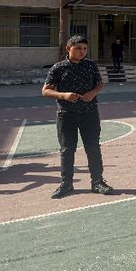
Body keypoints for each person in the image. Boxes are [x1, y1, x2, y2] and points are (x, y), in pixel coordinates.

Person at [42, 36, 113, 199]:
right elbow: (45, 90)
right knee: (67, 150)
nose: (82, 51)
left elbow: (100, 83)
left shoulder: (90, 65)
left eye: (84, 48)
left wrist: (93, 93)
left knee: (93, 147)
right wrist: (63, 95)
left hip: (89, 113)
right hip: (66, 115)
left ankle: (97, 182)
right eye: (78, 48)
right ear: (68, 49)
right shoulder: (58, 68)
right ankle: (66, 183)